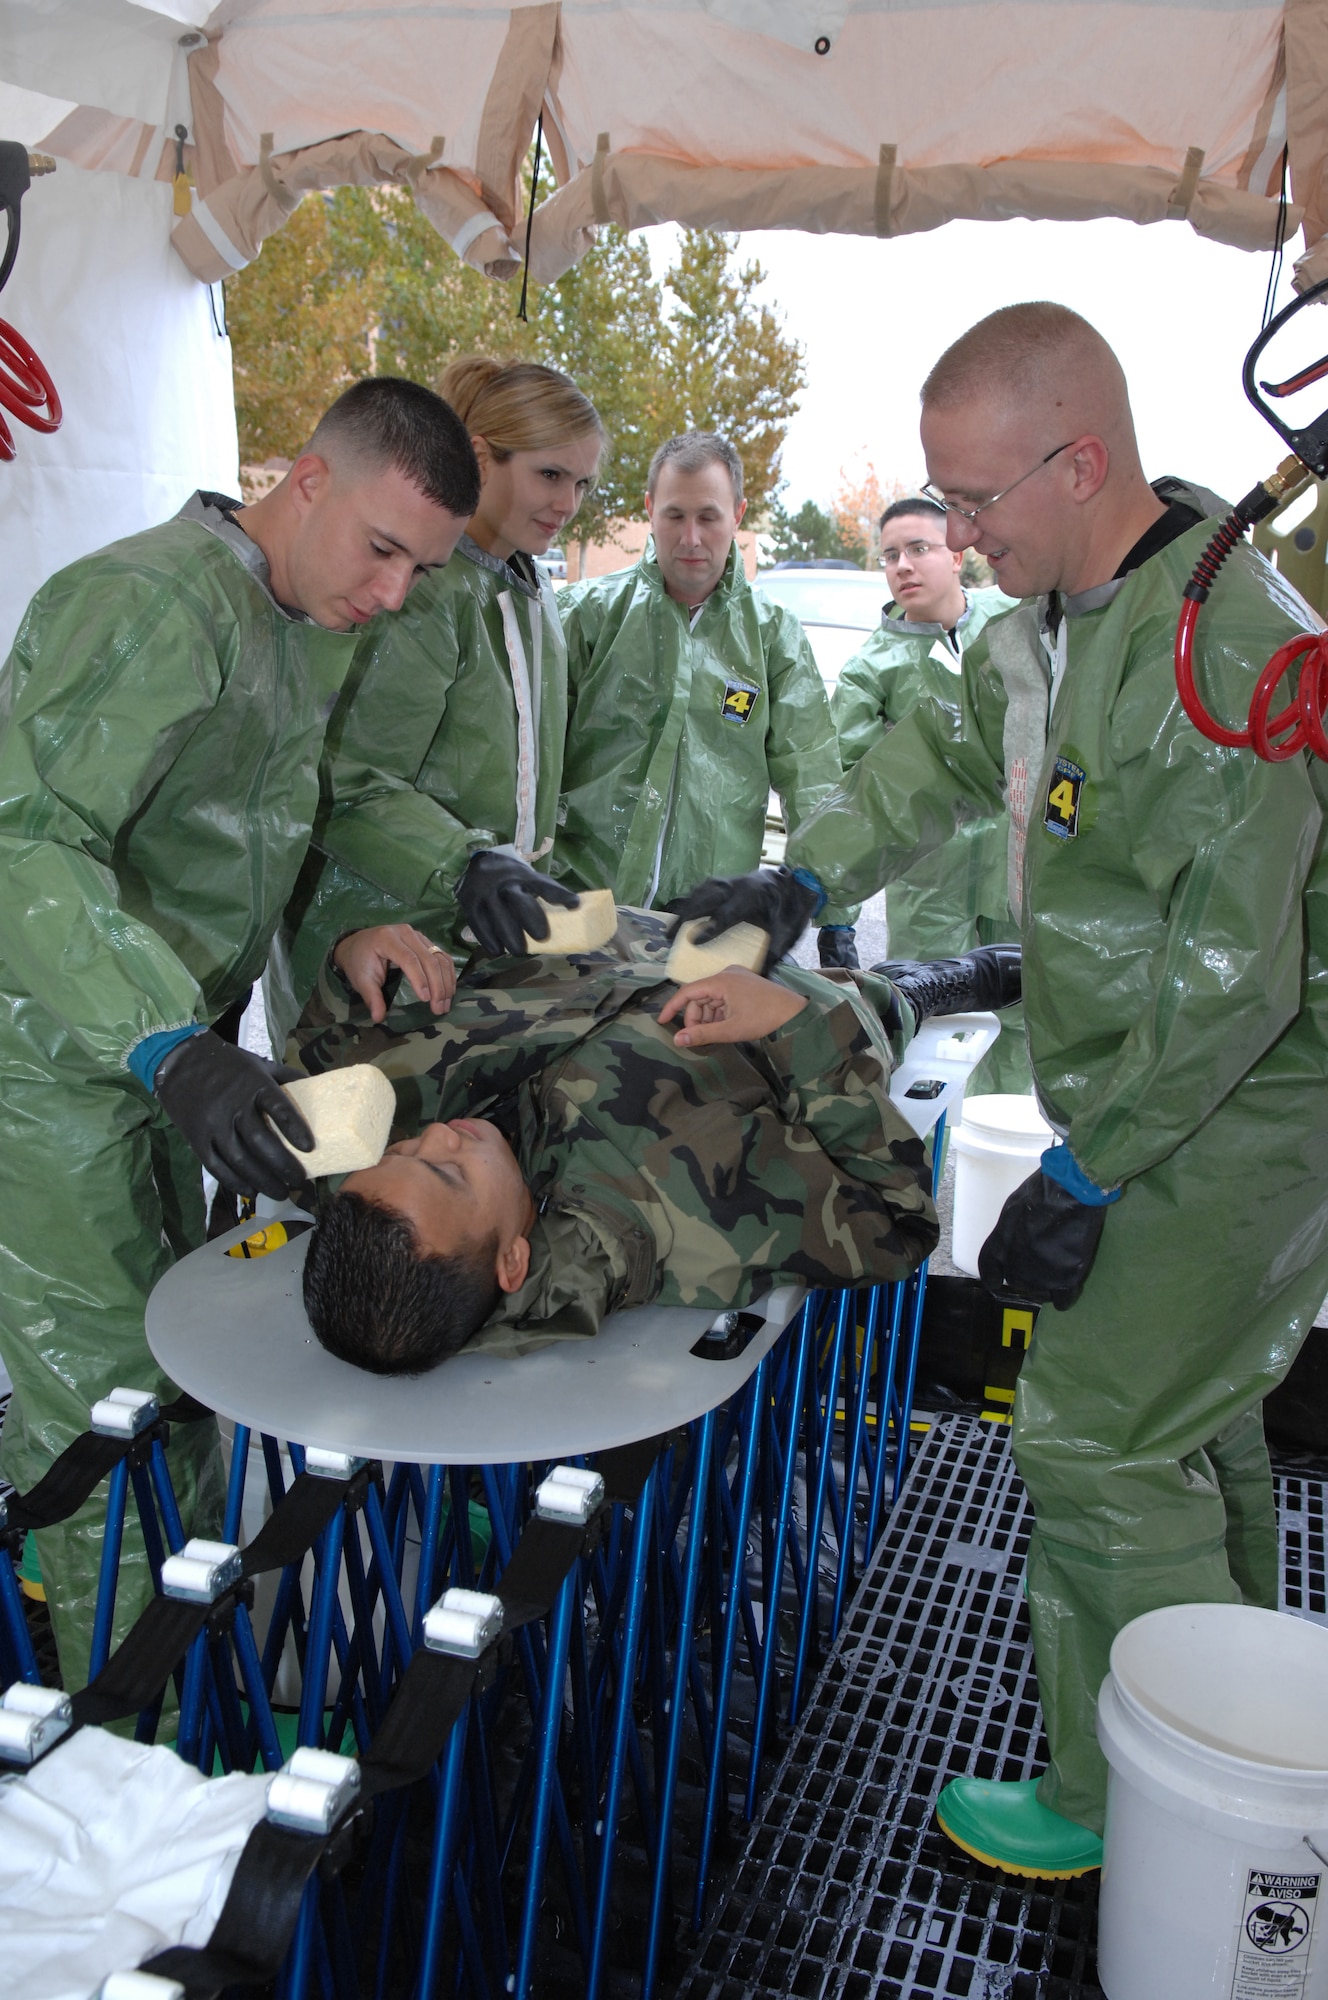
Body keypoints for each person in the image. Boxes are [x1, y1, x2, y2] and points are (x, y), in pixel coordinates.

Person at [672, 301, 1328, 1876]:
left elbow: (1232, 981)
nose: (954, 532)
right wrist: (801, 876)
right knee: (1192, 1429)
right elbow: (948, 762)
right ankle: (1233, 1766)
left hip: (1223, 1114)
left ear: (1081, 458)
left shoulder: (1232, 653)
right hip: (1147, 1096)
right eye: (942, 502)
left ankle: (1154, 1820)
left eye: (974, 504)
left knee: (1094, 1443)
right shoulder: (1053, 621)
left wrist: (1092, 1171)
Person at [0, 377, 479, 1694]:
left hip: (168, 1061)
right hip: (58, 1065)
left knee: (179, 1375)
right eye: (383, 550)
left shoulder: (287, 625)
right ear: (307, 481)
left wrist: (456, 873)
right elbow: (21, 840)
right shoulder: (155, 601)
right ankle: (132, 1768)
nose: (392, 595)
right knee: (109, 1426)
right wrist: (166, 1038)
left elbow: (300, 807)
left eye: (420, 570)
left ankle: (184, 1671)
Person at [284, 911, 1024, 1371]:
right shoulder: (677, 1220)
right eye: (448, 1172)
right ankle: (960, 977)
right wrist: (794, 1025)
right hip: (779, 1002)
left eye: (404, 1152)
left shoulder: (370, 1194)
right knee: (889, 993)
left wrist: (355, 952)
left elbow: (315, 1057)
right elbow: (892, 1223)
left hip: (625, 939)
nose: (436, 1136)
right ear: (513, 1261)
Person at [267, 358, 607, 1043]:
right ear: (481, 459)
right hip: (372, 926)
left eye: (583, 482)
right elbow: (342, 775)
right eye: (549, 474)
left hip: (480, 934)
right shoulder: (420, 591)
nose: (568, 503)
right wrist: (467, 865)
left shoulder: (529, 591)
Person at [552, 432, 859, 964]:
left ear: (738, 515)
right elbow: (530, 762)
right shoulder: (587, 617)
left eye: (709, 517)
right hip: (582, 909)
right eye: (674, 515)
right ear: (649, 510)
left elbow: (811, 775)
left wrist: (837, 921)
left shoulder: (772, 636)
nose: (691, 537)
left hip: (710, 922)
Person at [831, 498, 1027, 1091]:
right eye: (890, 555)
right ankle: (927, 1166)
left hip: (1018, 872)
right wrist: (836, 913)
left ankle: (1008, 1158)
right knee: (929, 1032)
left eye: (919, 548)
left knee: (1026, 1019)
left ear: (958, 553)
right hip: (931, 881)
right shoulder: (873, 667)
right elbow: (849, 791)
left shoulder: (1014, 623)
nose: (902, 566)